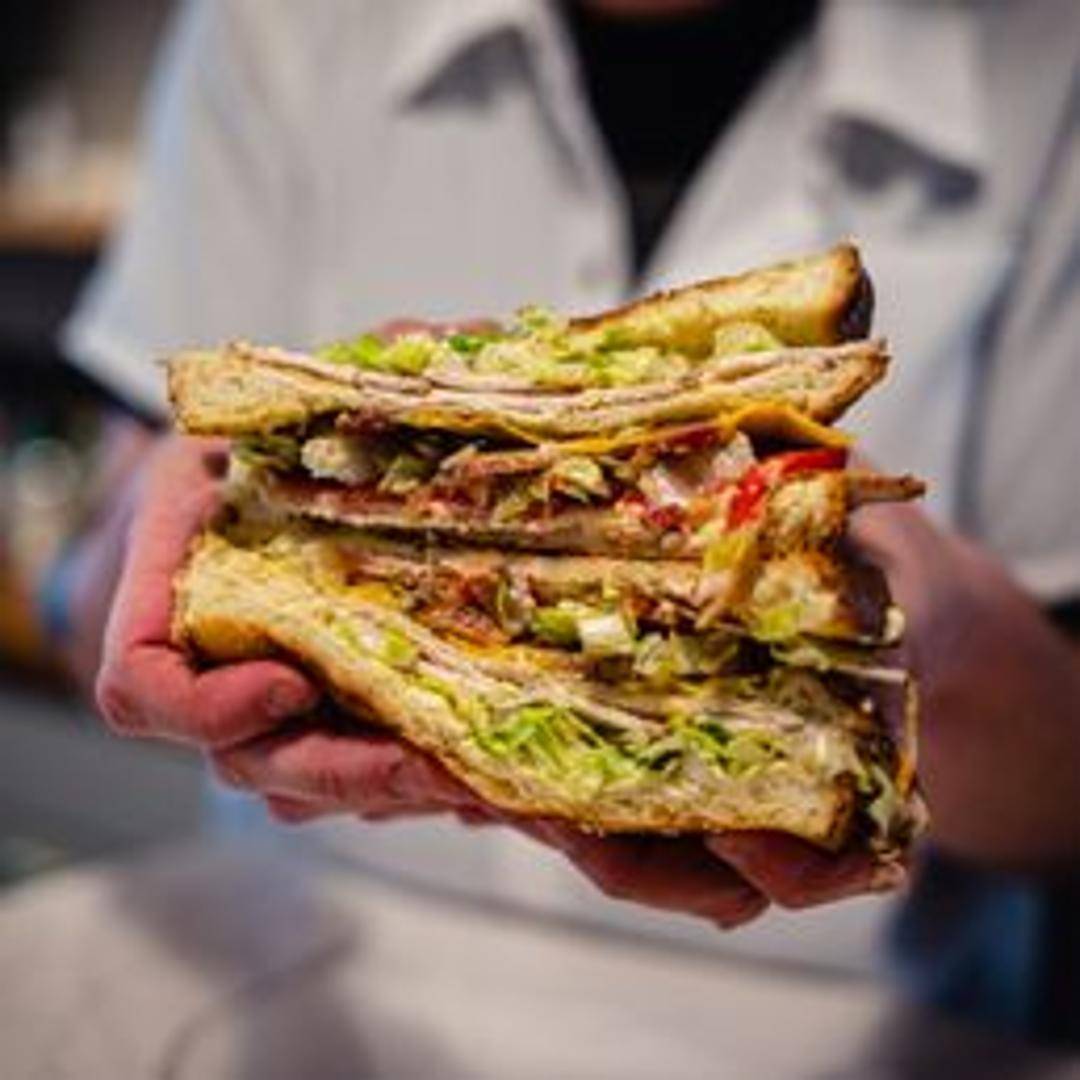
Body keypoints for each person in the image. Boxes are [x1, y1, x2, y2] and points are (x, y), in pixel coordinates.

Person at [48, 0, 1080, 1042]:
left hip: (851, 1025)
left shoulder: (1048, 65)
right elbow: (86, 590)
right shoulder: (277, 23)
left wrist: (930, 622)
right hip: (292, 974)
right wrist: (157, 539)